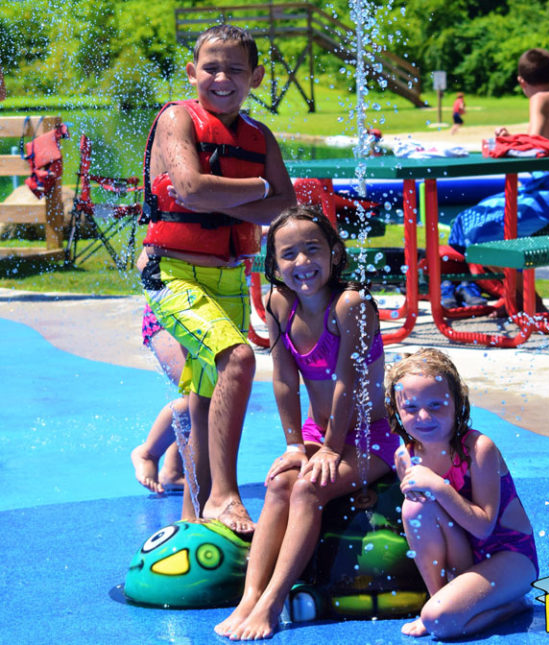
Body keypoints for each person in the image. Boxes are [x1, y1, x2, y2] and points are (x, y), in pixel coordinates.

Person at [214, 206, 400, 640]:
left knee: (308, 489)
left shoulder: (351, 305)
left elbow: (348, 383)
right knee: (280, 484)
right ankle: (249, 598)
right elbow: (283, 379)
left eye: (313, 249)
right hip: (321, 433)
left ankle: (272, 603)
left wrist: (332, 449)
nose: (302, 262)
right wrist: (295, 445)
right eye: (289, 254)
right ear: (274, 264)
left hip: (371, 434)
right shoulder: (279, 304)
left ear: (334, 252)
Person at [141, 24, 296, 533]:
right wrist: (258, 187)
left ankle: (194, 517)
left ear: (256, 77)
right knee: (238, 358)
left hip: (229, 277)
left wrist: (222, 194)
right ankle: (225, 496)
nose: (222, 78)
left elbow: (284, 205)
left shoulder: (260, 136)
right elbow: (189, 188)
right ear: (192, 72)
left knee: (206, 397)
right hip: (172, 273)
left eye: (235, 69)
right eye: (211, 67)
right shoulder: (177, 119)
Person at [385, 348, 537, 639]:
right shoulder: (405, 457)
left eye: (436, 405)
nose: (424, 416)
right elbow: (425, 526)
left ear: (457, 403)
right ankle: (438, 599)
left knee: (441, 623)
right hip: (466, 555)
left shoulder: (478, 449)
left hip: (511, 558)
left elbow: (483, 527)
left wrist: (438, 485)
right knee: (414, 508)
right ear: (396, 411)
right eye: (411, 408)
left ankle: (511, 605)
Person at [442, 48, 549, 311]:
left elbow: (535, 144)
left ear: (521, 81)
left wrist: (507, 141)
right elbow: (540, 143)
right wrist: (512, 139)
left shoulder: (540, 99)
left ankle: (527, 301)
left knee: (480, 233)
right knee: (466, 220)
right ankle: (515, 296)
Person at [130, 298, 189, 495]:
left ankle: (172, 470)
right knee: (198, 395)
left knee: (208, 395)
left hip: (213, 307)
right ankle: (148, 453)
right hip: (170, 311)